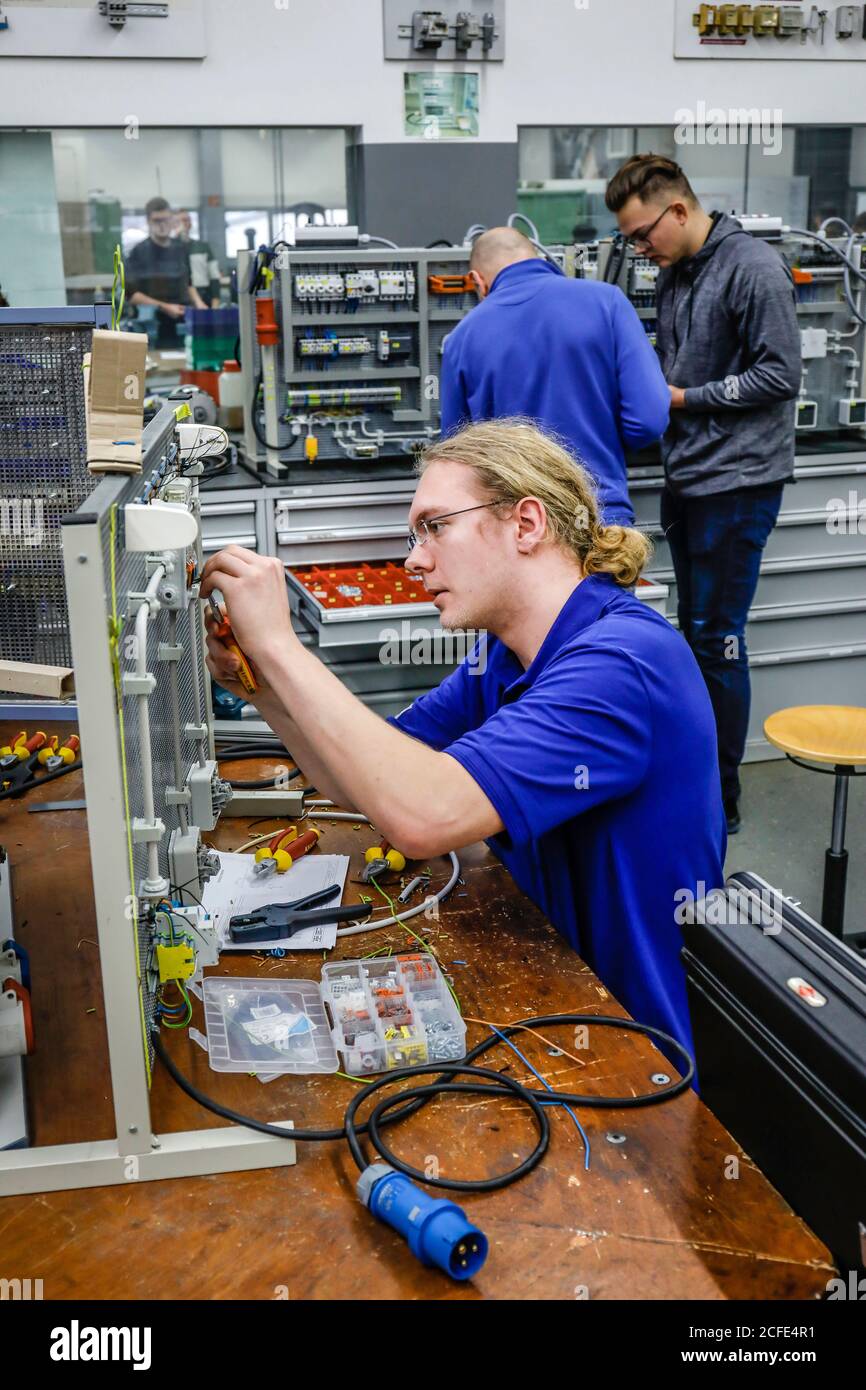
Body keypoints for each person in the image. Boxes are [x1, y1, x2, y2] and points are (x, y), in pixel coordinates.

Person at [201, 420, 725, 1066]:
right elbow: (364, 784)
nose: (414, 559)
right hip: (550, 990)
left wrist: (281, 645)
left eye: (435, 526)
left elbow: (422, 818)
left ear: (526, 524)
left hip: (629, 1052)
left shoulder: (621, 665)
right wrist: (263, 687)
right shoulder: (505, 655)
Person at [605, 155, 801, 833]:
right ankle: (697, 781)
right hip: (690, 476)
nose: (639, 248)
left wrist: (683, 398)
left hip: (738, 481)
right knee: (692, 635)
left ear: (680, 211)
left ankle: (721, 802)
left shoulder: (752, 267)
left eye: (642, 233)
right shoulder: (676, 274)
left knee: (717, 639)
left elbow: (780, 374)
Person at [440, 227, 670, 524]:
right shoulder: (606, 303)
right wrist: (601, 440)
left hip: (514, 524)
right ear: (536, 255)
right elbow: (649, 420)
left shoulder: (461, 339)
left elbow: (457, 455)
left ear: (477, 281)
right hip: (595, 512)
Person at [125, 196, 207, 348]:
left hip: (183, 322)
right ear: (149, 221)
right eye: (157, 220)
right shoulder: (138, 252)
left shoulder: (181, 248)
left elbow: (188, 283)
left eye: (166, 219)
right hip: (152, 326)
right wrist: (164, 307)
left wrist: (199, 304)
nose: (162, 225)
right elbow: (132, 295)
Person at [174, 209, 221, 308]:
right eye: (179, 221)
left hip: (204, 295)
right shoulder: (170, 249)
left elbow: (214, 276)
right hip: (179, 299)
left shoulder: (203, 247)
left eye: (186, 220)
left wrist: (215, 303)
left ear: (190, 223)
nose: (183, 224)